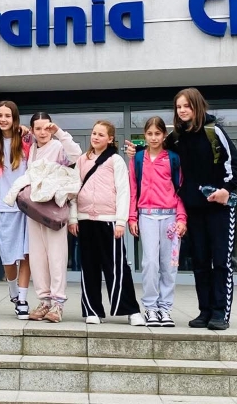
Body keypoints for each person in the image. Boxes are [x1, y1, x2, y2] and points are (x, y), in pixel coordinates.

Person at [166, 88, 237, 331]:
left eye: (186, 106)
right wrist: (136, 151)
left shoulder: (214, 130)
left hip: (219, 208)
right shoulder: (177, 136)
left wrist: (226, 190)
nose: (182, 110)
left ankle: (220, 313)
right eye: (179, 107)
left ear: (197, 106)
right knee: (200, 262)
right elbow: (159, 152)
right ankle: (205, 311)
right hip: (194, 208)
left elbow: (236, 166)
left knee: (220, 261)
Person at [69, 121, 144, 326]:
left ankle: (131, 310)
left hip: (109, 221)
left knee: (117, 267)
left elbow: (123, 191)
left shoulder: (115, 160)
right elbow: (73, 190)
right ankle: (92, 310)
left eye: (101, 135)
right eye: (94, 133)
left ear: (110, 139)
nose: (96, 137)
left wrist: (121, 221)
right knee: (89, 267)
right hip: (85, 220)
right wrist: (73, 217)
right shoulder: (82, 160)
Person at [126, 116, 187, 328]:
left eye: (157, 134)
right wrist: (132, 217)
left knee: (169, 265)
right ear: (145, 135)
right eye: (150, 134)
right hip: (147, 215)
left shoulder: (173, 159)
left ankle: (165, 308)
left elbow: (180, 190)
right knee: (150, 263)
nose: (153, 138)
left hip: (170, 217)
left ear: (164, 135)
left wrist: (182, 218)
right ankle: (150, 307)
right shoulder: (137, 159)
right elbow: (133, 190)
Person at [23, 112, 81, 323]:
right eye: (37, 128)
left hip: (54, 208)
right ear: (32, 130)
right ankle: (44, 301)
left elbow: (77, 155)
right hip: (34, 209)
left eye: (46, 128)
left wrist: (59, 133)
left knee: (57, 256)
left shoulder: (58, 146)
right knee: (38, 257)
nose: (42, 132)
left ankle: (58, 303)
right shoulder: (31, 149)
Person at [0, 101, 32, 319]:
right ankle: (13, 289)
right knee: (8, 256)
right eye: (0, 115)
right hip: (5, 205)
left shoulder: (26, 140)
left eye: (7, 115)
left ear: (15, 118)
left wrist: (27, 131)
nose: (3, 119)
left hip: (29, 205)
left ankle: (22, 299)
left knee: (26, 254)